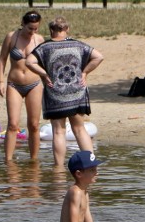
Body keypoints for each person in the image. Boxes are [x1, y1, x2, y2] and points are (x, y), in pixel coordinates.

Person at [26, 16, 103, 167]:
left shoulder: (44, 47)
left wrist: (44, 74)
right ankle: (91, 163)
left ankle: (59, 168)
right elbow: (98, 57)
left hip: (56, 92)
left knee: (58, 131)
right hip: (76, 91)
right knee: (79, 129)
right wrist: (85, 73)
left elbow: (29, 61)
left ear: (50, 30)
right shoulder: (77, 44)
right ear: (67, 29)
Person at [0, 11, 45, 162]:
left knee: (34, 124)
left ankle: (34, 160)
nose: (32, 32)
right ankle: (8, 161)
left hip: (35, 84)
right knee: (12, 124)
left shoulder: (39, 39)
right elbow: (2, 59)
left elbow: (44, 62)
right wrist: (0, 82)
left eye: (35, 29)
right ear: (23, 24)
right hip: (14, 84)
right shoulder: (11, 37)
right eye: (30, 28)